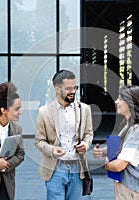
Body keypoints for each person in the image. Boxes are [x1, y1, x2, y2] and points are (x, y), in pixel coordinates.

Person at [35, 69, 94, 200]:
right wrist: (51, 150)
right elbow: (39, 141)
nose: (73, 91)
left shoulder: (84, 109)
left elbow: (89, 133)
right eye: (68, 88)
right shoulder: (44, 112)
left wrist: (85, 143)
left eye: (75, 87)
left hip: (78, 169)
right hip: (55, 169)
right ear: (57, 89)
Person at [93, 85, 139, 200]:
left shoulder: (136, 131)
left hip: (131, 190)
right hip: (127, 187)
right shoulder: (128, 125)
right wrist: (102, 152)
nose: (116, 101)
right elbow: (124, 149)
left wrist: (105, 163)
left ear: (132, 103)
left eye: (121, 99)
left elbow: (118, 166)